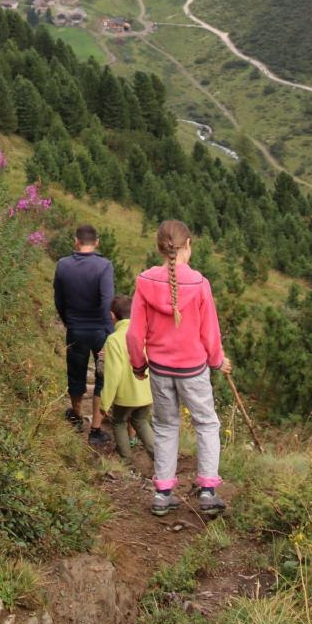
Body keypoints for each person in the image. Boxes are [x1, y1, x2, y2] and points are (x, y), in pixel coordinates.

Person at [126, 219, 231, 517]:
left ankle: (162, 494)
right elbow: (210, 332)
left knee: (166, 426)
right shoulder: (199, 283)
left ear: (160, 247)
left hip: (160, 369)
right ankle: (208, 491)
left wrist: (138, 365)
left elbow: (135, 334)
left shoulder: (145, 281)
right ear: (188, 246)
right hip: (193, 369)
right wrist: (217, 360)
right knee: (206, 424)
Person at [53, 223, 114, 445]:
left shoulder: (63, 265)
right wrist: (109, 330)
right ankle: (96, 430)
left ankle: (77, 416)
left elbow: (59, 300)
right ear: (96, 242)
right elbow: (107, 300)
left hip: (76, 329)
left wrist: (69, 321)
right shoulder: (104, 266)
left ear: (76, 241)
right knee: (101, 379)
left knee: (75, 374)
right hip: (100, 330)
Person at [100, 294, 154, 463]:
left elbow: (113, 374)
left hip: (125, 396)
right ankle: (161, 458)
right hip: (146, 393)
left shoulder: (114, 340)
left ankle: (126, 460)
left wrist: (105, 402)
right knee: (141, 421)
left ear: (112, 315)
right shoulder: (144, 335)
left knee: (118, 422)